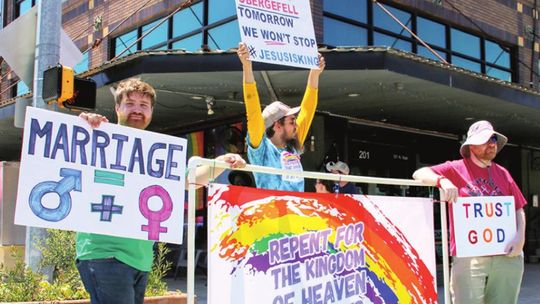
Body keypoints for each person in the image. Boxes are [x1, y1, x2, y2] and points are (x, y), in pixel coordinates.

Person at [76, 78, 245, 304]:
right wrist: (85, 125)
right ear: (117, 108)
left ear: (151, 111)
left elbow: (191, 178)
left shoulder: (156, 154)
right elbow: (71, 155)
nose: (137, 110)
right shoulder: (98, 138)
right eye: (130, 104)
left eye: (143, 105)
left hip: (139, 259)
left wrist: (223, 161)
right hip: (104, 254)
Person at [412, 120, 526, 304]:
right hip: (470, 257)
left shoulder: (503, 173)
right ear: (472, 145)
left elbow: (518, 208)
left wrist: (520, 239)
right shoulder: (455, 168)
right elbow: (419, 173)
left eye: (494, 140)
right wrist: (442, 180)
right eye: (486, 140)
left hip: (506, 255)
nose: (491, 144)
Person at [237, 42, 325, 191]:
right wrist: (247, 66)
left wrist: (314, 73)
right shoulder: (261, 148)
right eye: (292, 121)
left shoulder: (293, 145)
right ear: (277, 125)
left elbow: (308, 109)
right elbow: (252, 111)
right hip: (271, 212)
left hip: (295, 211)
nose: (296, 125)